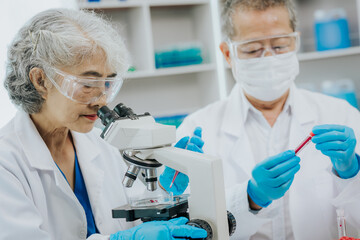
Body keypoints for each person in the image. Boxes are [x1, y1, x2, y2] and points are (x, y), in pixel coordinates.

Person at [0, 8, 207, 240]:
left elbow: (139, 220)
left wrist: (164, 193)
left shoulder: (102, 145)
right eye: (88, 83)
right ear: (41, 80)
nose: (101, 101)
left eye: (107, 84)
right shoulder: (6, 163)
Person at [160, 0, 360, 239]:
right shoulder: (196, 129)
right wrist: (250, 198)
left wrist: (351, 173)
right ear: (228, 53)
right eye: (253, 49)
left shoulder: (341, 114)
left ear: (295, 42)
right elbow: (188, 229)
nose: (269, 58)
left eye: (280, 45)